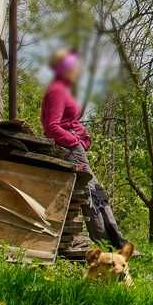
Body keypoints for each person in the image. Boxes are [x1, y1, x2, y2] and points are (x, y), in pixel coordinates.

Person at [40, 48, 129, 251]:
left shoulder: (63, 89)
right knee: (90, 193)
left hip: (74, 148)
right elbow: (51, 127)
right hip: (68, 149)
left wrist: (82, 137)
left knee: (96, 192)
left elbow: (68, 121)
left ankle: (115, 239)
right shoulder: (56, 90)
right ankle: (106, 242)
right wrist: (73, 141)